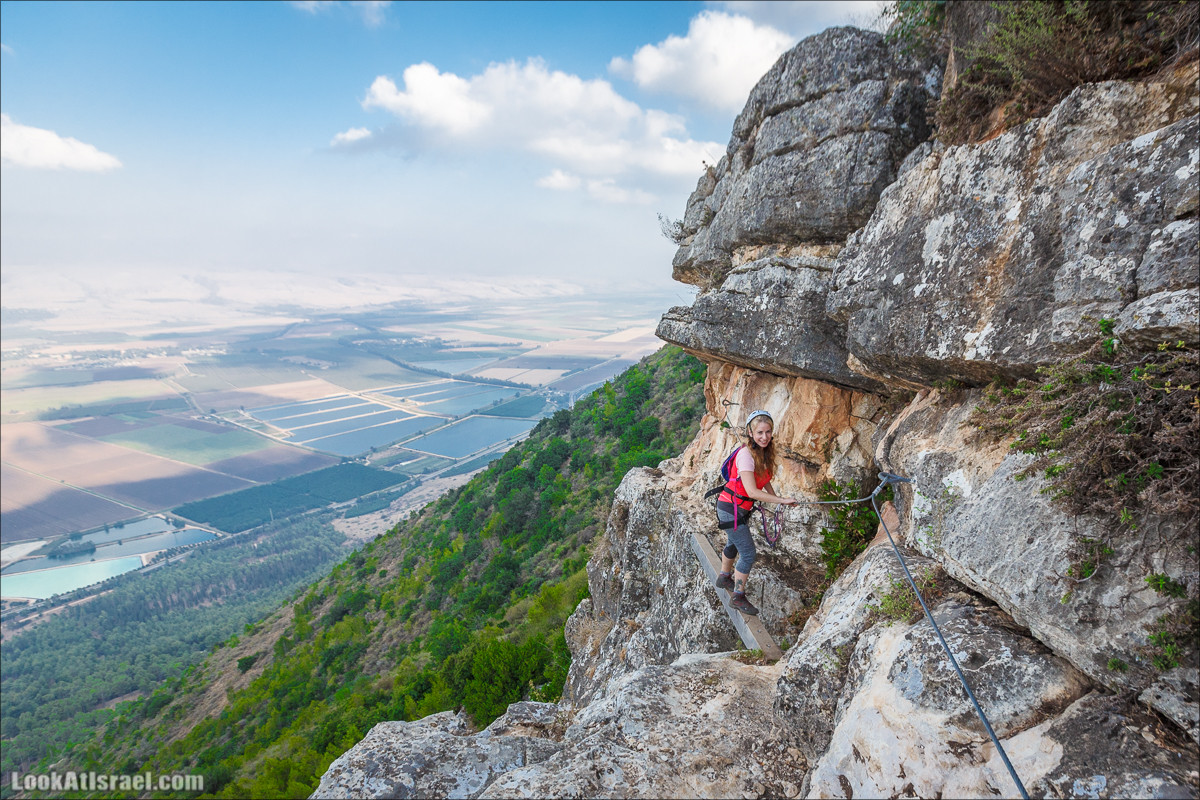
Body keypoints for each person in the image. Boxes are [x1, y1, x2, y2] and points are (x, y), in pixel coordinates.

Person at [715, 409, 798, 616]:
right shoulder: (746, 455)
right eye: (760, 433)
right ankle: (738, 596)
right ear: (751, 433)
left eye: (768, 432)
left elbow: (763, 478)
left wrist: (777, 498)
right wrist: (780, 500)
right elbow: (752, 491)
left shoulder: (761, 453)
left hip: (736, 508)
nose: (764, 437)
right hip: (731, 509)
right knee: (749, 553)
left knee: (733, 542)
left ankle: (724, 576)